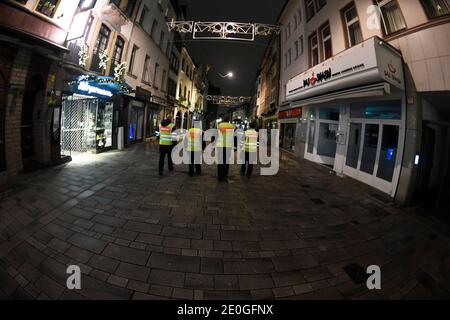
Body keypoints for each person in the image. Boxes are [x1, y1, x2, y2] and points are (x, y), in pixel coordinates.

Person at [216, 116, 235, 182]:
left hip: (220, 145)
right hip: (228, 145)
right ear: (228, 120)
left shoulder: (220, 125)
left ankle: (220, 176)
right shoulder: (232, 126)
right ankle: (225, 174)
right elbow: (233, 136)